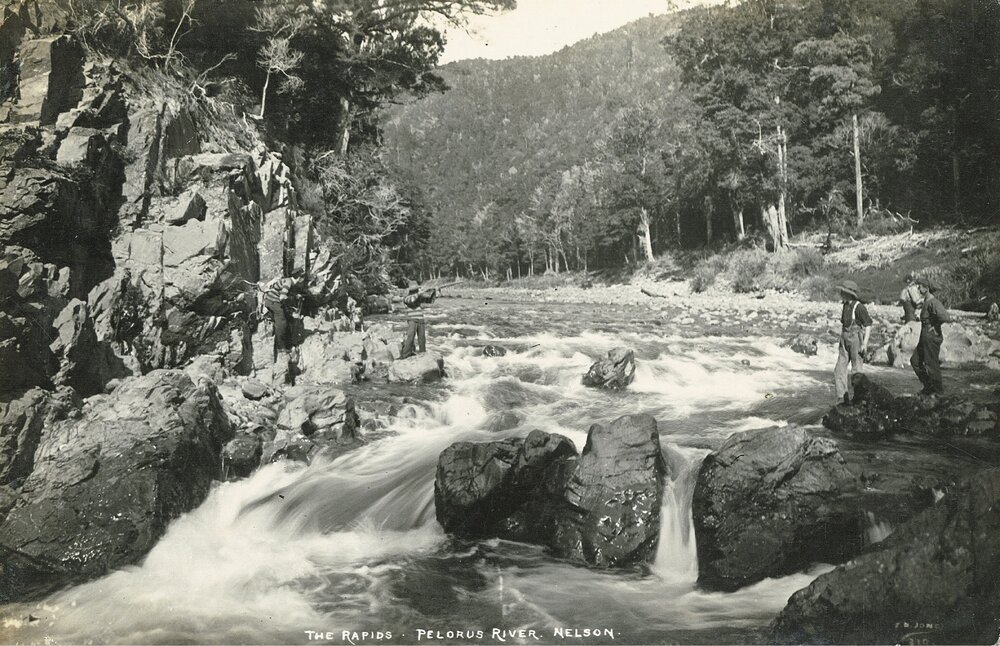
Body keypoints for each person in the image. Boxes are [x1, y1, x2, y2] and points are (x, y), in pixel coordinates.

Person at [911, 277, 952, 395]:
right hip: (925, 335)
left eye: (921, 286)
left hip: (931, 336)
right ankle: (929, 386)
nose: (918, 288)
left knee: (931, 364)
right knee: (915, 361)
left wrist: (935, 325)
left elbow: (945, 317)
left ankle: (938, 392)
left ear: (927, 288)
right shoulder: (927, 301)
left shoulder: (933, 302)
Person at [834, 279, 872, 405]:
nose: (841, 293)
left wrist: (865, 344)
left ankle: (859, 399)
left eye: (843, 292)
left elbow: (868, 325)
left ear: (849, 294)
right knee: (839, 369)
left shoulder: (859, 307)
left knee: (857, 371)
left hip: (856, 339)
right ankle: (842, 398)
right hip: (844, 339)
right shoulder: (845, 305)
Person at [400, 281, 437, 359]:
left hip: (421, 320)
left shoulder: (419, 297)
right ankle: (405, 355)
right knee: (410, 337)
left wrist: (434, 292)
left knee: (422, 339)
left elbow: (430, 301)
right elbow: (412, 300)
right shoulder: (406, 298)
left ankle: (423, 354)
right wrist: (420, 293)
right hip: (412, 320)